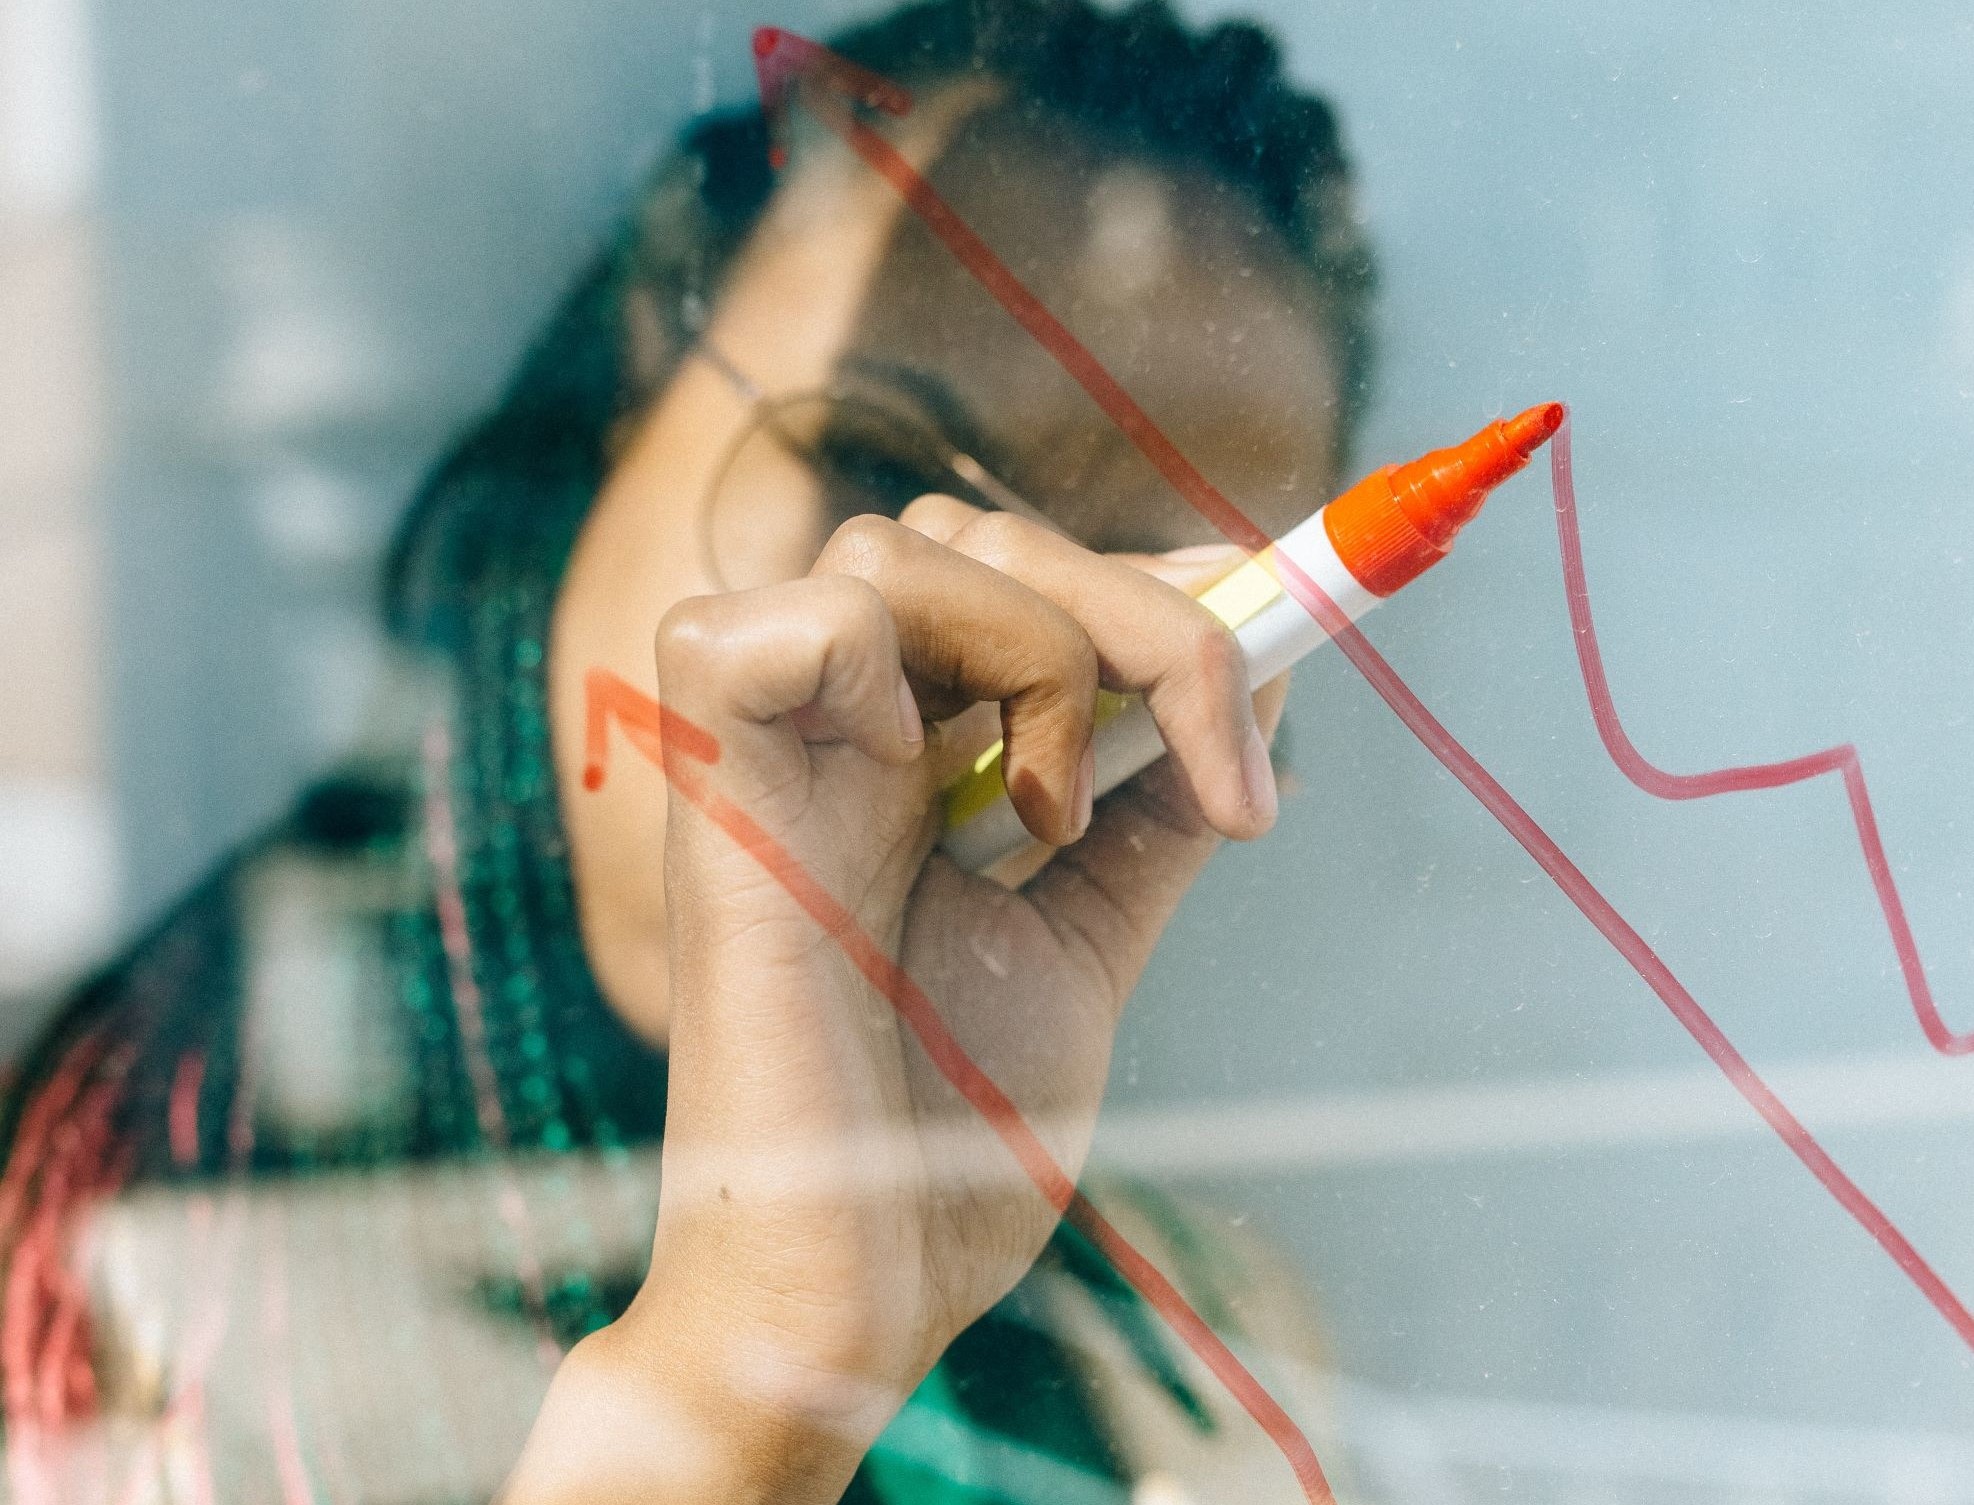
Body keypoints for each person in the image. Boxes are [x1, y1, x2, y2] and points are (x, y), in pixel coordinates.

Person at [0, 0, 1375, 1499]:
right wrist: (742, 1382)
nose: (983, 661)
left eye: (1125, 639)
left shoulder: (1193, 1365)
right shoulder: (89, 1239)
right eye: (879, 465)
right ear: (632, 386)